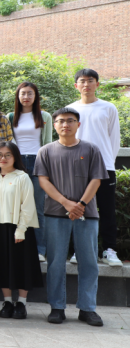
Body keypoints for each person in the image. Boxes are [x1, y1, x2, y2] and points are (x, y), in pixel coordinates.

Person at [35, 107, 107, 327]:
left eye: (70, 120)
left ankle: (88, 308)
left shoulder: (91, 149)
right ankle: (57, 307)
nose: (65, 124)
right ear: (54, 125)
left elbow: (96, 179)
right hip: (55, 213)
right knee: (56, 262)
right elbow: (43, 181)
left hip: (87, 214)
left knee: (89, 262)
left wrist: (81, 205)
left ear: (78, 124)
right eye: (60, 121)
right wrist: (66, 202)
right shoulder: (45, 151)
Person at [67, 69, 122, 267]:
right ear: (76, 85)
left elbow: (114, 138)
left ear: (97, 84)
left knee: (107, 209)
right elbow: (67, 139)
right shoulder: (70, 109)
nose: (86, 85)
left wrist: (108, 162)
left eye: (90, 81)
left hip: (104, 166)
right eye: (82, 81)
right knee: (79, 209)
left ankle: (109, 250)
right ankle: (80, 250)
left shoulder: (108, 107)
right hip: (78, 167)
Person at [0, 141, 43, 320]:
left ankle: (21, 303)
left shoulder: (22, 177)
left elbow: (28, 206)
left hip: (19, 228)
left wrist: (21, 229)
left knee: (22, 266)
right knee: (2, 265)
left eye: (7, 155)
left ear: (15, 157)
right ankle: (7, 302)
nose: (3, 158)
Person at [7, 82, 53, 262]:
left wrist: (47, 167)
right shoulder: (11, 117)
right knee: (16, 206)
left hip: (38, 162)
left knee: (37, 207)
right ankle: (17, 248)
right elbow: (8, 142)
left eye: (30, 93)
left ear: (35, 96)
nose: (26, 97)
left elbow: (48, 143)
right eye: (23, 93)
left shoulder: (44, 116)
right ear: (18, 96)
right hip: (17, 162)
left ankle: (40, 250)